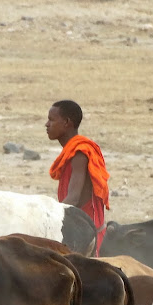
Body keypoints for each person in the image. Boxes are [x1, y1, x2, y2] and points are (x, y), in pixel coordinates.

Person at [46, 99, 110, 255]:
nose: (46, 124)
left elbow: (73, 199)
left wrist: (46, 216)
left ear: (67, 122)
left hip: (85, 236)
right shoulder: (72, 151)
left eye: (51, 120)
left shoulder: (80, 153)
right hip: (76, 229)